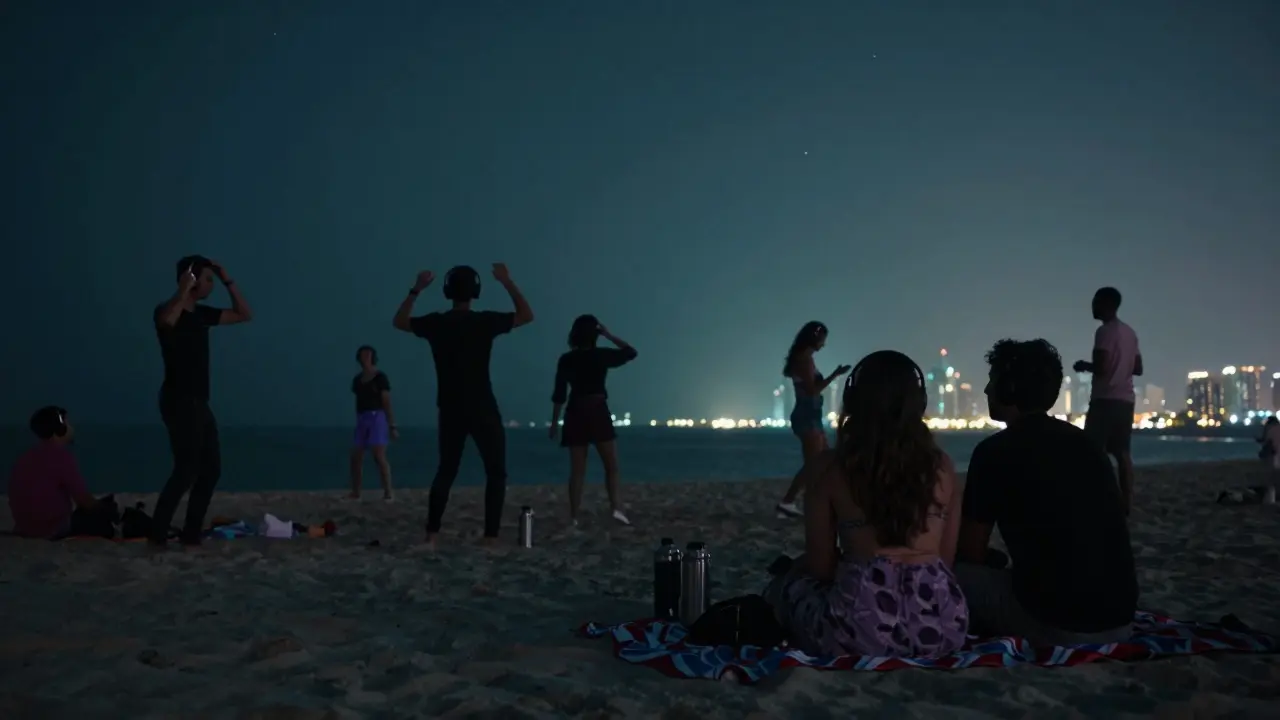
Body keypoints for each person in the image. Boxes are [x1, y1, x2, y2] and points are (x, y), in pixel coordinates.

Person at [763, 350, 968, 658]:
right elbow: (945, 559)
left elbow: (821, 567)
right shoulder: (943, 467)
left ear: (853, 401)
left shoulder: (830, 468)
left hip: (859, 630)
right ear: (919, 403)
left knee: (785, 590)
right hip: (942, 627)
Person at [958, 338, 1137, 647]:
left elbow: (970, 552)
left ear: (1009, 388)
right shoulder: (1089, 446)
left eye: (992, 381)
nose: (987, 390)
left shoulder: (994, 452)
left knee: (952, 575)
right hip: (1121, 620)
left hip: (1058, 624)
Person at [393, 263, 533, 547]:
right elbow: (526, 315)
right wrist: (507, 281)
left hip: (450, 406)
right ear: (476, 292)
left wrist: (416, 289)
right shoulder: (484, 322)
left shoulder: (437, 323)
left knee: (446, 470)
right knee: (495, 472)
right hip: (482, 404)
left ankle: (432, 534)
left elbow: (400, 321)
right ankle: (490, 536)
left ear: (447, 291)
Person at [150, 255, 253, 547]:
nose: (211, 285)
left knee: (210, 469)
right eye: (207, 279)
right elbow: (166, 322)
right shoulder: (168, 310)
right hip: (178, 399)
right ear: (191, 279)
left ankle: (190, 533)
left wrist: (227, 279)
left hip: (199, 401)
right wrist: (184, 289)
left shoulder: (202, 315)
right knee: (185, 470)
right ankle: (157, 536)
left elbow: (244, 314)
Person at [548, 314, 638, 526]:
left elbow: (559, 394)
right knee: (611, 466)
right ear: (594, 334)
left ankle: (574, 515)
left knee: (578, 470)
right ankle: (616, 508)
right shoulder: (601, 355)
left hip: (575, 411)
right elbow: (631, 352)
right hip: (597, 411)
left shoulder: (567, 359)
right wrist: (608, 334)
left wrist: (554, 423)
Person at [1072, 287, 1142, 514]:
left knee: (1091, 451)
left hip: (1104, 399)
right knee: (1122, 453)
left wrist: (1084, 365)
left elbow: (1101, 368)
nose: (1092, 306)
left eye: (1096, 302)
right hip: (1126, 399)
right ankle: (1127, 503)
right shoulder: (1130, 333)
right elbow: (1138, 368)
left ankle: (1100, 498)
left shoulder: (1104, 332)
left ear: (1107, 304)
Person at [776, 321, 850, 518]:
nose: (823, 345)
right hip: (807, 416)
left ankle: (822, 500)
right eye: (822, 340)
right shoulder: (804, 360)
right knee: (814, 464)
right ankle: (788, 501)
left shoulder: (803, 359)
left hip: (810, 415)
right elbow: (811, 390)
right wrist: (835, 374)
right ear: (814, 339)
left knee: (825, 459)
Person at [7, 406, 110, 539]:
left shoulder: (25, 457)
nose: (71, 427)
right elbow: (83, 499)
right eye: (68, 423)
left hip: (24, 527)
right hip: (53, 528)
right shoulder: (61, 456)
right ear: (60, 429)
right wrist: (104, 508)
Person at [350, 345, 398, 501]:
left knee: (379, 456)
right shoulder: (357, 380)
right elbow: (358, 401)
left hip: (377, 417)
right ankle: (356, 492)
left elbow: (386, 402)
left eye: (368, 355)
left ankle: (388, 492)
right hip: (362, 418)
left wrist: (392, 426)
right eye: (362, 355)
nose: (365, 358)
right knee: (356, 456)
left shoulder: (380, 378)